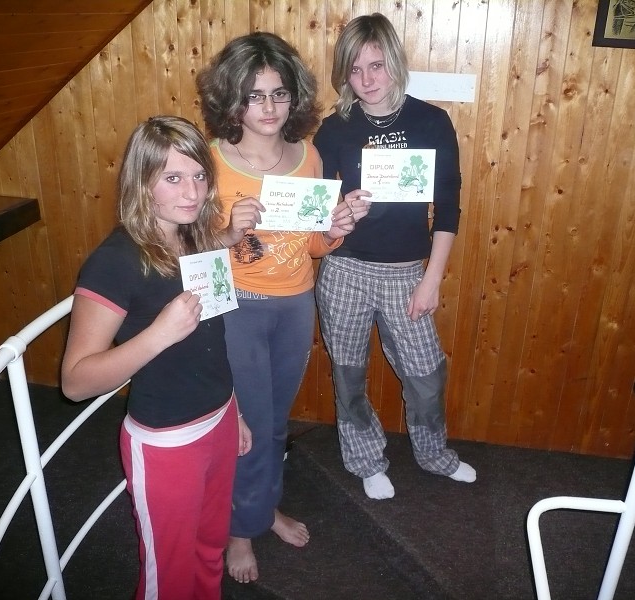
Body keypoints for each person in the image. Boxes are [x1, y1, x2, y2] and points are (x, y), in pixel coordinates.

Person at [195, 32, 370, 583]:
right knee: (246, 425)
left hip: (295, 303)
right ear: (232, 99)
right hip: (236, 308)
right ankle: (239, 530)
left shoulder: (307, 155)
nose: (268, 107)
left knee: (273, 424)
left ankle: (261, 507)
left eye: (279, 93)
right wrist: (227, 233)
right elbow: (185, 253)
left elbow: (312, 244)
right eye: (254, 95)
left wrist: (336, 229)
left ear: (294, 96)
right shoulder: (211, 163)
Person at [61, 115, 258, 600]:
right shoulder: (115, 262)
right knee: (167, 575)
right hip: (167, 441)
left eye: (199, 175)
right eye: (173, 178)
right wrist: (158, 335)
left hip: (219, 416)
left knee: (210, 547)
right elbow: (75, 382)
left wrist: (233, 410)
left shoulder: (192, 235)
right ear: (142, 182)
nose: (192, 192)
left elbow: (209, 340)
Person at [312, 13, 476, 501]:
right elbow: (317, 212)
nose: (366, 79)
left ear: (395, 64)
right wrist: (339, 212)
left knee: (426, 373)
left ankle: (434, 454)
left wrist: (433, 278)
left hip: (406, 273)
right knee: (348, 373)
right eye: (355, 68)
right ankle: (365, 459)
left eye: (377, 65)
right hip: (345, 270)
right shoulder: (333, 129)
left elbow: (448, 206)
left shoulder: (431, 122)